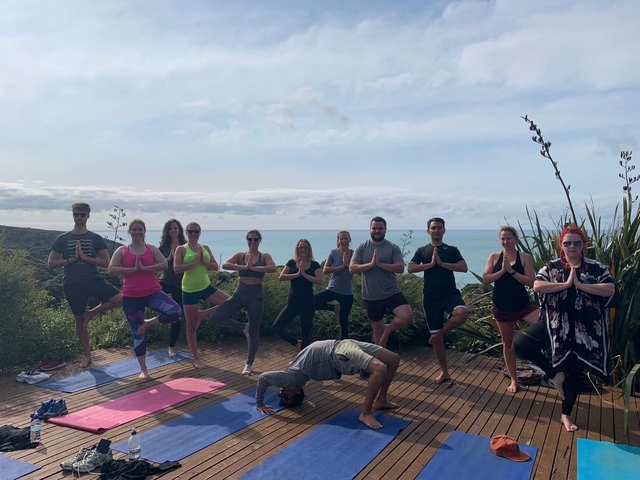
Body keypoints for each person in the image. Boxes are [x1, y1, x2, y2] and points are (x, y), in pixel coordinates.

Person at [514, 226, 615, 432]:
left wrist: (580, 285)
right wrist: (566, 284)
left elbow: (610, 289)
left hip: (584, 330)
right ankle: (553, 374)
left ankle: (566, 414)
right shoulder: (552, 267)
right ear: (561, 245)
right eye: (567, 243)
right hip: (554, 325)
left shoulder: (596, 268)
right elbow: (537, 286)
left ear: (583, 245)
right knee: (521, 343)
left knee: (574, 372)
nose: (572, 246)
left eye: (576, 242)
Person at [256, 339, 400, 429]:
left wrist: (259, 404)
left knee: (394, 359)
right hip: (338, 352)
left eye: (280, 394)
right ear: (296, 391)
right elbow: (264, 378)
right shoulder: (293, 380)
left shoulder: (293, 377)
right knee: (380, 368)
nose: (280, 392)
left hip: (342, 344)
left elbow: (263, 378)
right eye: (284, 396)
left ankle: (381, 400)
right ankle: (366, 413)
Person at [48, 202, 122, 368]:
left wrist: (86, 258)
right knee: (78, 320)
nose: (79, 217)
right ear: (72, 215)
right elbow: (51, 263)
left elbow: (106, 262)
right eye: (76, 214)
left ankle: (90, 314)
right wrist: (72, 259)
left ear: (88, 215)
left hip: (92, 279)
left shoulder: (95, 238)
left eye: (82, 214)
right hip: (72, 283)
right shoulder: (62, 238)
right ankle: (87, 355)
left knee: (121, 299)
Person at [107, 219, 182, 380]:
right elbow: (111, 269)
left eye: (140, 229)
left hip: (153, 293)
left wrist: (145, 268)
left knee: (176, 312)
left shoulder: (151, 249)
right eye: (134, 229)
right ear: (130, 231)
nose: (137, 232)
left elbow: (163, 264)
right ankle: (144, 370)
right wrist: (132, 269)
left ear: (144, 231)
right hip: (131, 297)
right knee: (137, 334)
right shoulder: (122, 250)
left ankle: (149, 322)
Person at [408, 217, 468, 384]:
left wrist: (442, 264)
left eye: (439, 227)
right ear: (428, 231)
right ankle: (445, 372)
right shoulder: (422, 250)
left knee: (462, 313)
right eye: (433, 228)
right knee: (436, 338)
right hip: (431, 298)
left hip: (450, 294)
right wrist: (430, 264)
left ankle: (441, 333)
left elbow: (463, 267)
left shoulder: (451, 249)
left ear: (444, 230)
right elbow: (411, 268)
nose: (436, 230)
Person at [482, 226, 539, 393]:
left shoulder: (525, 257)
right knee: (508, 344)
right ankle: (514, 380)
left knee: (547, 325)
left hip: (523, 305)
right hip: (502, 306)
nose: (505, 241)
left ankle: (525, 342)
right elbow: (486, 279)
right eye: (503, 239)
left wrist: (512, 271)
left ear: (516, 239)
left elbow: (531, 282)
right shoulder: (494, 257)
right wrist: (502, 271)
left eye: (509, 238)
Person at [210, 230, 276, 375]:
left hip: (256, 296)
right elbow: (226, 265)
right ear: (246, 240)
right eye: (250, 239)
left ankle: (248, 364)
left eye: (255, 239)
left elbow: (272, 267)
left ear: (259, 241)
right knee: (216, 317)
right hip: (240, 293)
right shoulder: (240, 255)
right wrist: (244, 267)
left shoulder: (264, 256)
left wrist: (254, 268)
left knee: (254, 331)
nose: (252, 242)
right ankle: (243, 327)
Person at [350, 216, 413, 348]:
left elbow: (400, 268)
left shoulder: (392, 247)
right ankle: (381, 361)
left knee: (406, 316)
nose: (377, 231)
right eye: (374, 228)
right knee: (377, 329)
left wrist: (380, 264)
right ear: (370, 229)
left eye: (380, 228)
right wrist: (371, 264)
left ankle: (387, 330)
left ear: (385, 229)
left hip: (391, 292)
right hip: (371, 295)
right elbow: (352, 268)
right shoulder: (362, 247)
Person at [174, 222, 230, 369]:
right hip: (189, 290)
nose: (193, 234)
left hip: (206, 286)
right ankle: (196, 359)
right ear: (186, 233)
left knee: (230, 302)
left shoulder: (204, 248)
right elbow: (177, 269)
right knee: (191, 326)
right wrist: (195, 262)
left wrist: (203, 261)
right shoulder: (181, 249)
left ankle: (202, 314)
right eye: (190, 231)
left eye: (196, 231)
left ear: (200, 233)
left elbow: (215, 266)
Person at [272, 239, 323, 351]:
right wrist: (296, 274)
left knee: (306, 333)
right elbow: (281, 277)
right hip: (292, 303)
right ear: (297, 249)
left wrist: (304, 274)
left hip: (308, 303)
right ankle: (296, 343)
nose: (303, 249)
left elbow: (320, 281)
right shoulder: (291, 262)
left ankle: (304, 362)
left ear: (309, 249)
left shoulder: (314, 264)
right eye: (301, 247)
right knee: (276, 328)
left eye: (305, 247)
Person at [314, 230, 354, 340]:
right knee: (311, 301)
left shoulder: (354, 254)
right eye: (341, 238)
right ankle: (335, 308)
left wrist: (349, 266)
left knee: (343, 322)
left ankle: (343, 348)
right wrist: (342, 266)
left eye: (346, 238)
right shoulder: (333, 253)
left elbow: (358, 272)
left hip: (347, 292)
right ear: (338, 240)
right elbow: (325, 270)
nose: (344, 241)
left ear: (349, 240)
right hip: (333, 288)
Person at [158, 219, 187, 358]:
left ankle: (171, 347)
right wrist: (169, 258)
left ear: (179, 230)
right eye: (170, 228)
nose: (173, 230)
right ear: (167, 231)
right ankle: (160, 320)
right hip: (165, 281)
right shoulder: (163, 247)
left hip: (180, 284)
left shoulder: (185, 246)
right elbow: (157, 264)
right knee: (149, 297)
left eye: (175, 228)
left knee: (178, 316)